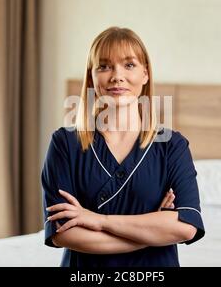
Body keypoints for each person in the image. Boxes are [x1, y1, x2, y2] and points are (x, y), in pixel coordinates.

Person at [41, 26, 205, 267]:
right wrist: (153, 232)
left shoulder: (172, 146)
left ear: (145, 74)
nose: (117, 76)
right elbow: (63, 233)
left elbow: (186, 227)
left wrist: (98, 220)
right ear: (92, 77)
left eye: (129, 65)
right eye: (104, 66)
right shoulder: (64, 144)